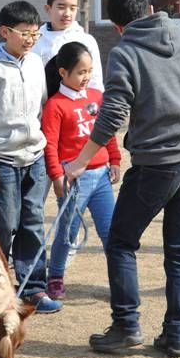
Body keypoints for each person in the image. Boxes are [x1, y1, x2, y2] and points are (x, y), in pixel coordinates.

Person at [64, 0, 180, 357]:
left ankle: (126, 326)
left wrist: (79, 161)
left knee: (122, 242)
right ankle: (176, 335)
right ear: (152, 8)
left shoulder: (125, 52)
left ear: (117, 25)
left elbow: (112, 117)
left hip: (156, 168)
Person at [0, 0, 62, 314]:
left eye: (35, 34)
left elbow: (43, 107)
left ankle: (33, 287)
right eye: (24, 34)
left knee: (33, 221)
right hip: (2, 160)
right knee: (5, 223)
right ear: (5, 32)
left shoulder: (35, 63)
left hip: (33, 155)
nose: (30, 40)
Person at [41, 41, 121, 300]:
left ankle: (120, 279)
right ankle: (55, 276)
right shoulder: (55, 105)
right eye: (80, 72)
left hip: (101, 178)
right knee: (68, 231)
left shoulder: (98, 97)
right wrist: (56, 176)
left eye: (89, 71)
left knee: (111, 232)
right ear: (63, 73)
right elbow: (50, 145)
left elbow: (106, 132)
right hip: (73, 179)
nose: (86, 77)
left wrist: (115, 159)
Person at [33, 0, 105, 93]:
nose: (67, 14)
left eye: (72, 8)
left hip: (79, 107)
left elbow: (95, 83)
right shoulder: (35, 40)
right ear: (48, 9)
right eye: (61, 7)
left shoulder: (86, 40)